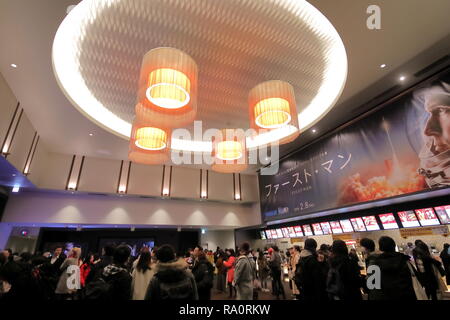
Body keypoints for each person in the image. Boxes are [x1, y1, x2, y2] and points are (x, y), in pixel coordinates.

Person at [366, 236, 416, 300]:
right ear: (394, 245)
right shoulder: (404, 260)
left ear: (380, 248)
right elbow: (416, 277)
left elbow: (370, 284)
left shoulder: (375, 262)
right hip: (405, 295)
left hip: (384, 296)